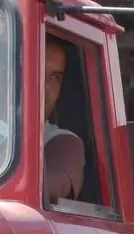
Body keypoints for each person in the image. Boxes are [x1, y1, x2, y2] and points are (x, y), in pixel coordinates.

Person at [43, 37, 85, 204]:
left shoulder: (60, 140)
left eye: (55, 77)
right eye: (34, 69)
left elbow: (57, 186)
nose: (46, 86)